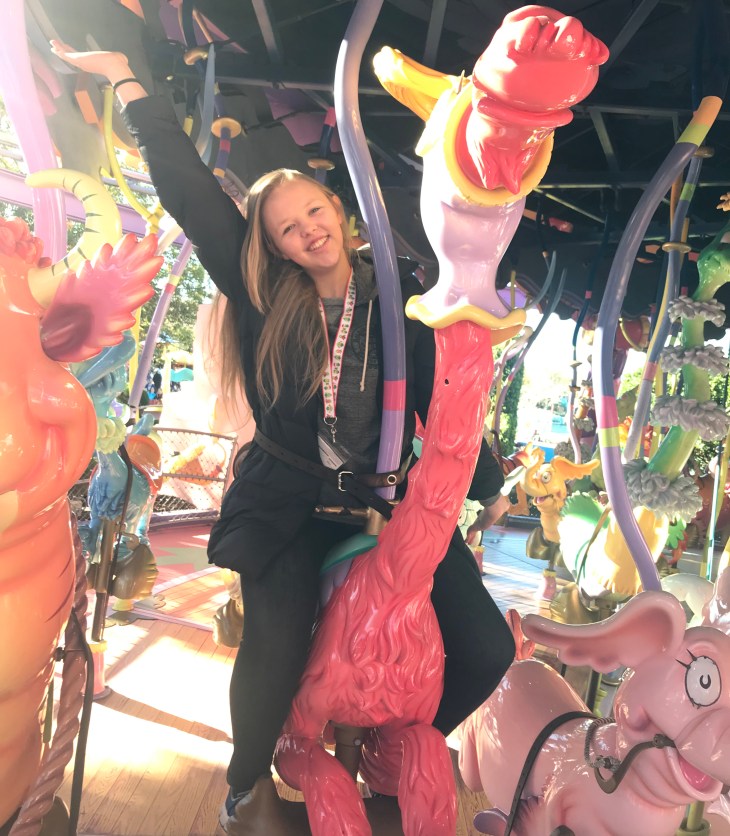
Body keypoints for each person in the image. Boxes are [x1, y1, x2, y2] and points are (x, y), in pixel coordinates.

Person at [51, 41, 515, 835]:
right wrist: (130, 82)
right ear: (271, 247)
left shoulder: (400, 297)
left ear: (338, 210)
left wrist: (487, 480)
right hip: (290, 502)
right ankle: (244, 785)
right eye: (287, 230)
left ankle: (400, 748)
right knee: (276, 636)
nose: (307, 232)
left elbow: (446, 390)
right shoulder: (268, 297)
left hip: (388, 502)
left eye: (313, 213)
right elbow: (193, 196)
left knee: (486, 648)